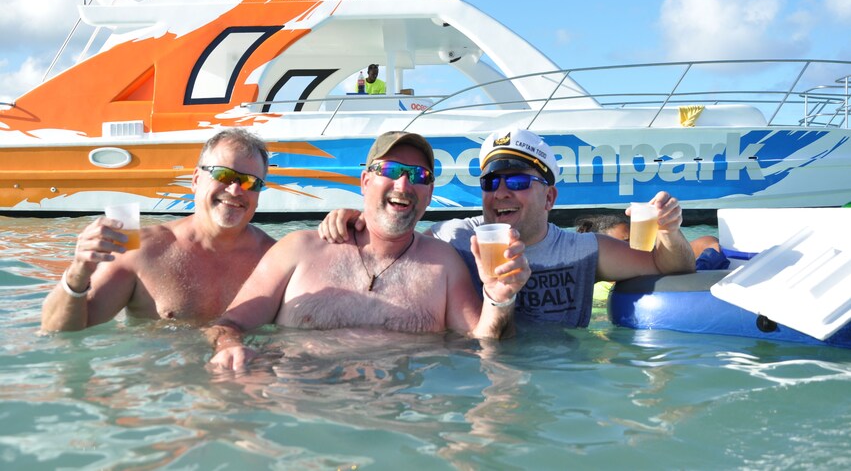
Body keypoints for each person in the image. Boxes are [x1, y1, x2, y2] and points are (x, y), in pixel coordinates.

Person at [207, 131, 530, 370]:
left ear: (429, 193)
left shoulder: (443, 264)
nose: (403, 185)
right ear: (364, 181)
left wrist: (499, 297)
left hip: (398, 424)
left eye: (418, 176)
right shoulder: (299, 249)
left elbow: (484, 347)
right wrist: (229, 347)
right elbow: (227, 325)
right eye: (390, 171)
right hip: (296, 422)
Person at [318, 128, 696, 327]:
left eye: (516, 183)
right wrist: (358, 219)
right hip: (473, 376)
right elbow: (393, 240)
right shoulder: (455, 238)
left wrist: (670, 231)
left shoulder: (582, 251)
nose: (500, 193)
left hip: (561, 382)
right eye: (490, 183)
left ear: (549, 198)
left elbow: (673, 267)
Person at [41, 128, 276, 332]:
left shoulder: (275, 259)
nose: (236, 190)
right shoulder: (143, 250)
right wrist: (78, 272)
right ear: (196, 179)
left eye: (250, 182)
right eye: (224, 175)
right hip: (158, 381)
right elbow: (60, 333)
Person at [575, 213, 729, 270]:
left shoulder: (652, 258)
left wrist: (701, 266)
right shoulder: (597, 285)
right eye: (624, 243)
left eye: (635, 238)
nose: (633, 246)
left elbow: (708, 241)